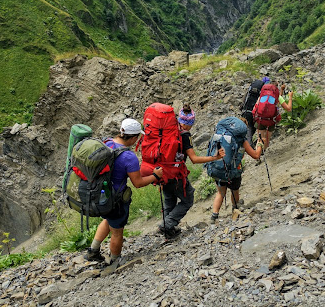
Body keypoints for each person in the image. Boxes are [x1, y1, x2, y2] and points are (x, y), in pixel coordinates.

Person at [84, 118, 163, 265]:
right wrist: (155, 176)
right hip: (115, 199)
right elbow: (138, 183)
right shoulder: (129, 157)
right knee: (117, 231)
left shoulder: (106, 142)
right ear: (133, 137)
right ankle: (114, 261)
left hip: (99, 194)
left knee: (108, 219)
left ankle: (93, 250)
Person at [158, 104, 225, 238]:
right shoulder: (184, 135)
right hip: (176, 174)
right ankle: (167, 224)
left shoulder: (167, 131)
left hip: (161, 172)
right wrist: (215, 157)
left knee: (169, 200)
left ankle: (168, 231)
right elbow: (194, 159)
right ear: (189, 123)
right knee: (188, 199)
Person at [210, 124, 263, 222]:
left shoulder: (221, 137)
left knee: (220, 193)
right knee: (235, 190)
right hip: (234, 172)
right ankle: (235, 208)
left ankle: (214, 216)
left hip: (219, 170)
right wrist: (259, 144)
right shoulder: (241, 140)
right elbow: (256, 155)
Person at [255, 80, 293, 150]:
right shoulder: (278, 97)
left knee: (260, 138)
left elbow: (256, 107)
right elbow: (288, 109)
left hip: (261, 119)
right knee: (267, 138)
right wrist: (290, 97)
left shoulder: (263, 95)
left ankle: (258, 154)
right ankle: (264, 151)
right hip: (271, 120)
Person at [241, 76, 269, 147]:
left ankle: (247, 144)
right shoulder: (263, 92)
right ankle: (250, 145)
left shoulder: (249, 91)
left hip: (246, 111)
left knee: (248, 128)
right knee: (252, 128)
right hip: (254, 113)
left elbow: (243, 100)